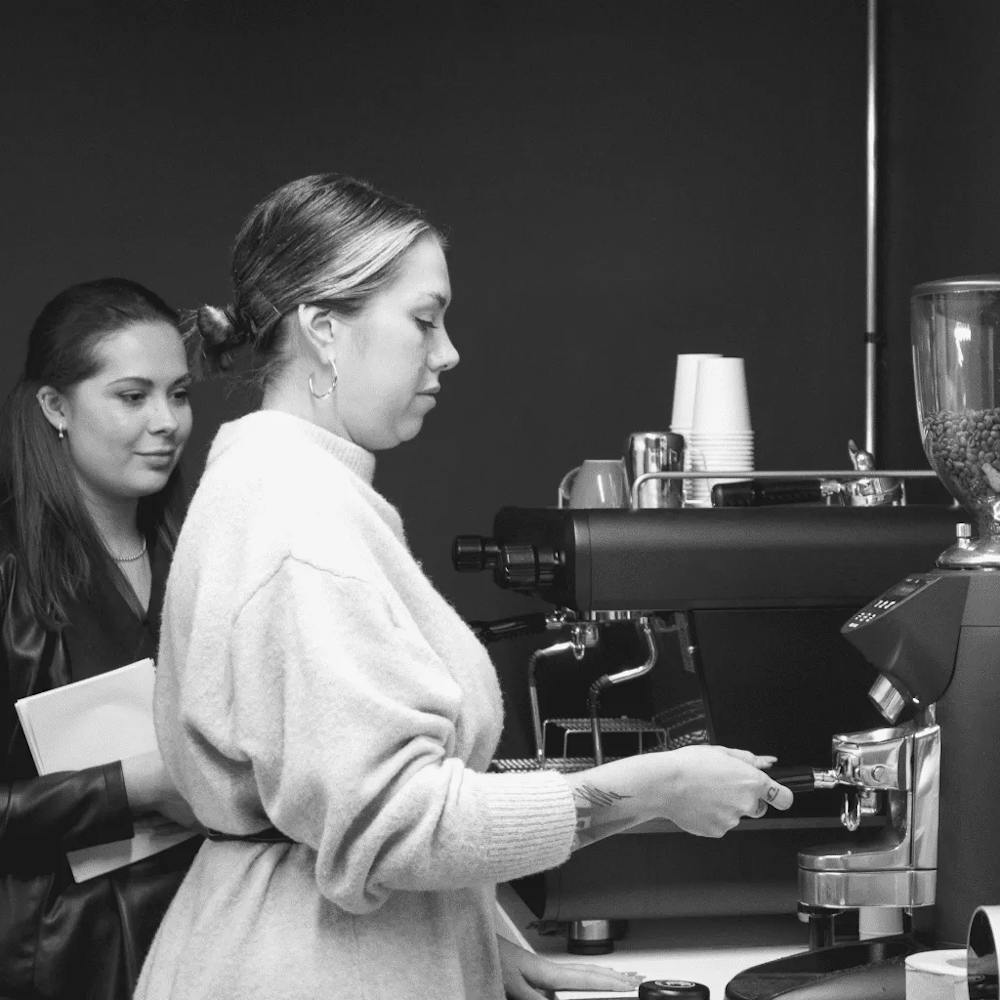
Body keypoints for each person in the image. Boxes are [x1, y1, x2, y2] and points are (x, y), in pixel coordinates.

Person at [135, 174, 794, 1000]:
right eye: (424, 319)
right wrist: (649, 787)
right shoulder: (294, 517)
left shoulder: (295, 489)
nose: (448, 352)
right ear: (324, 330)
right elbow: (394, 824)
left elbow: (348, 804)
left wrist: (483, 937)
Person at [0, 278, 203, 1000]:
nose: (167, 422)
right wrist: (131, 785)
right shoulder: (10, 566)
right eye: (132, 395)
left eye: (178, 394)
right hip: (60, 963)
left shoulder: (196, 549)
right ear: (56, 406)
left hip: (201, 944)